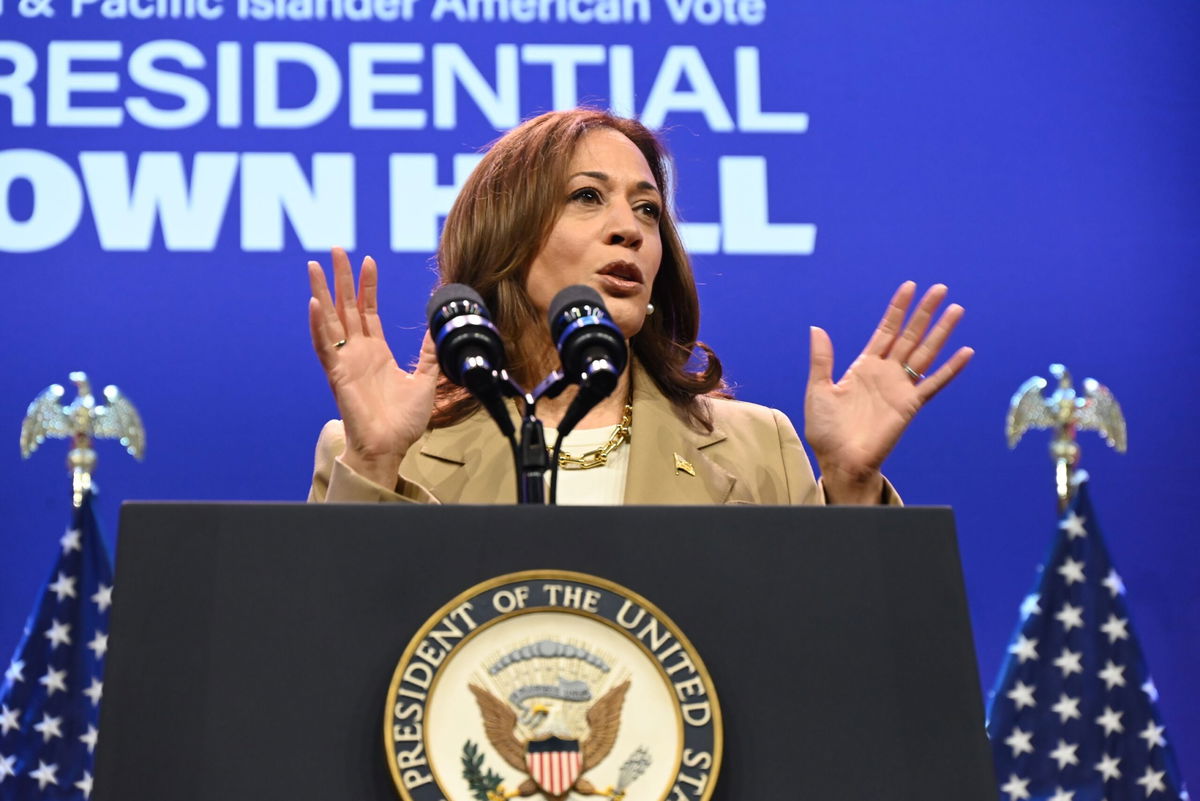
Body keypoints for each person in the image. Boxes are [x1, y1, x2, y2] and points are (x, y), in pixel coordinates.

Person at [307, 109, 972, 505]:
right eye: (588, 197)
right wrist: (372, 465)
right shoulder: (388, 450)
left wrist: (851, 487)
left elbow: (832, 657)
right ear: (505, 235)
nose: (629, 227)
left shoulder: (757, 447)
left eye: (648, 209)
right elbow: (325, 655)